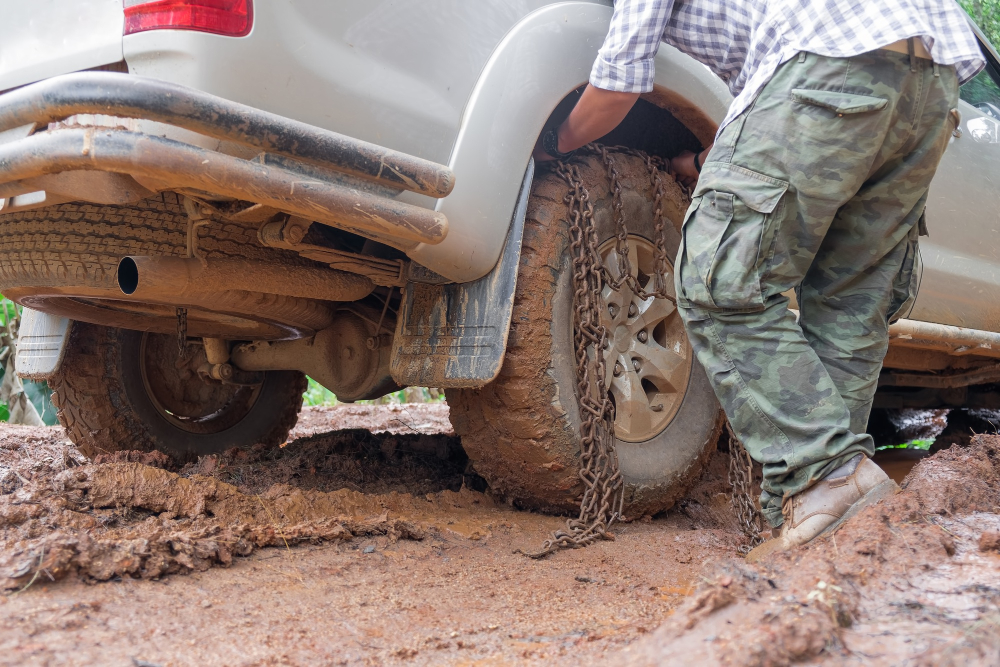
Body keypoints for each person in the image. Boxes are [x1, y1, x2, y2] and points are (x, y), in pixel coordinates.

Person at [534, 0, 983, 559]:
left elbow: (617, 86)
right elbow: (774, 112)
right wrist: (704, 160)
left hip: (831, 54)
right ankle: (829, 524)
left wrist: (548, 145)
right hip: (930, 90)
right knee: (850, 304)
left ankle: (825, 473)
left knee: (721, 282)